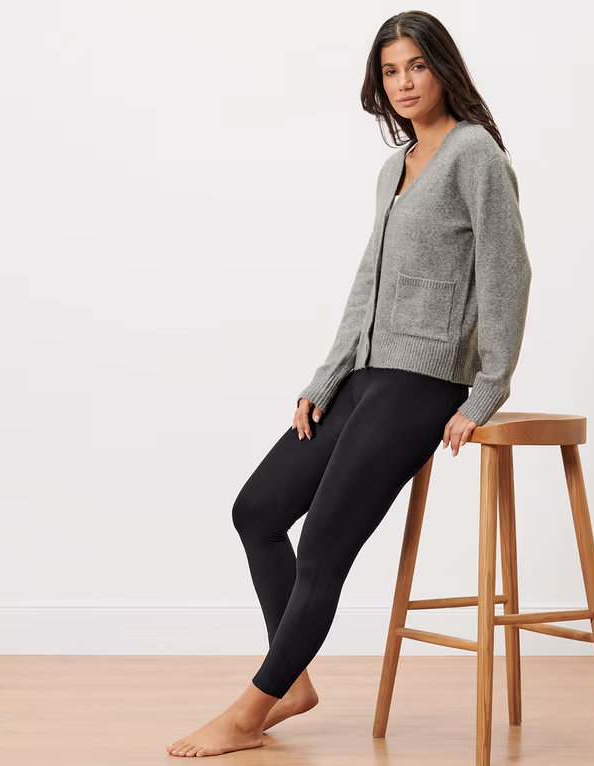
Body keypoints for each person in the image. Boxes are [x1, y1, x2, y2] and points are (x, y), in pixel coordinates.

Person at [167, 9, 532, 758]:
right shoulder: (395, 166)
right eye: (391, 71)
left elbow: (508, 274)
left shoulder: (475, 155)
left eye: (417, 66)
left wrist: (486, 390)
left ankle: (249, 713)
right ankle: (292, 680)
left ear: (443, 69)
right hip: (365, 374)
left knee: (325, 542)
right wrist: (327, 376)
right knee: (257, 511)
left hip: (423, 382)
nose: (404, 82)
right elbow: (368, 281)